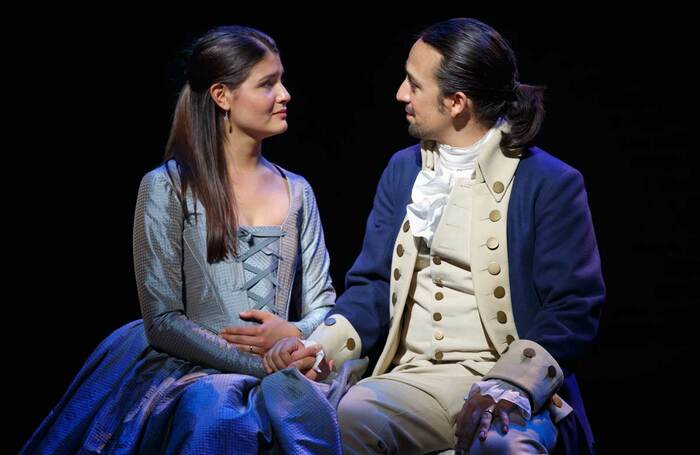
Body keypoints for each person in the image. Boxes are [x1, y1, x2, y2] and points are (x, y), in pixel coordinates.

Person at [267, 18, 605, 454]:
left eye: (414, 84)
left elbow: (572, 307)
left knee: (505, 447)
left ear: (457, 102)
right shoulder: (402, 171)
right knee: (347, 420)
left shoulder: (549, 182)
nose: (401, 95)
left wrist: (512, 385)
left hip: (500, 381)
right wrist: (317, 348)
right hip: (411, 380)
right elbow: (373, 286)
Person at [22, 25, 339, 454]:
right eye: (268, 83)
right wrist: (262, 365)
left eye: (281, 80)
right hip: (193, 370)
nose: (285, 95)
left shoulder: (297, 190)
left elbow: (322, 301)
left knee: (332, 410)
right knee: (215, 412)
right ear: (222, 95)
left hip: (280, 369)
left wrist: (292, 340)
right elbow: (163, 320)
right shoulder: (168, 187)